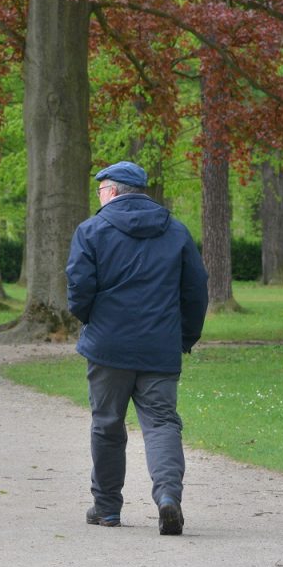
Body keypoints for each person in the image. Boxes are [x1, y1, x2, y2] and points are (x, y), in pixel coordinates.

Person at [66, 160, 208, 535]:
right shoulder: (175, 231)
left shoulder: (91, 231)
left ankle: (107, 508)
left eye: (100, 190)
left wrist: (90, 321)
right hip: (159, 347)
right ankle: (168, 498)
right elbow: (196, 291)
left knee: (107, 425)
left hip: (108, 347)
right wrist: (185, 338)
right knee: (162, 424)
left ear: (111, 191)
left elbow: (79, 290)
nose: (98, 196)